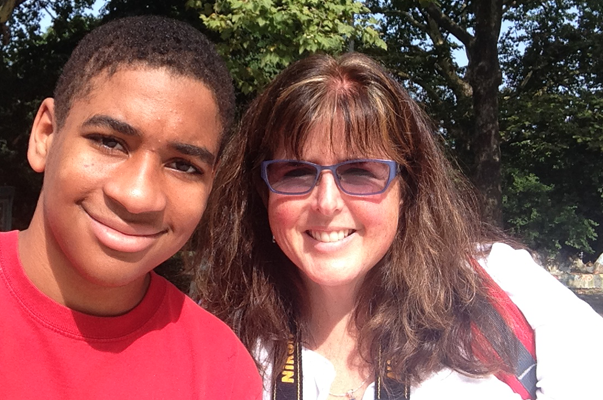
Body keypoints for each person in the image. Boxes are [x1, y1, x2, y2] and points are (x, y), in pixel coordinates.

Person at [190, 52, 603, 400]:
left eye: (360, 172)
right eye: (296, 172)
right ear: (263, 191)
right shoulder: (215, 335)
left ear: (407, 187)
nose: (327, 202)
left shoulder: (499, 286)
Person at [0, 15, 261, 399]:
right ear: (45, 136)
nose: (138, 196)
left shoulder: (220, 370)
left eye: (183, 165)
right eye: (110, 142)